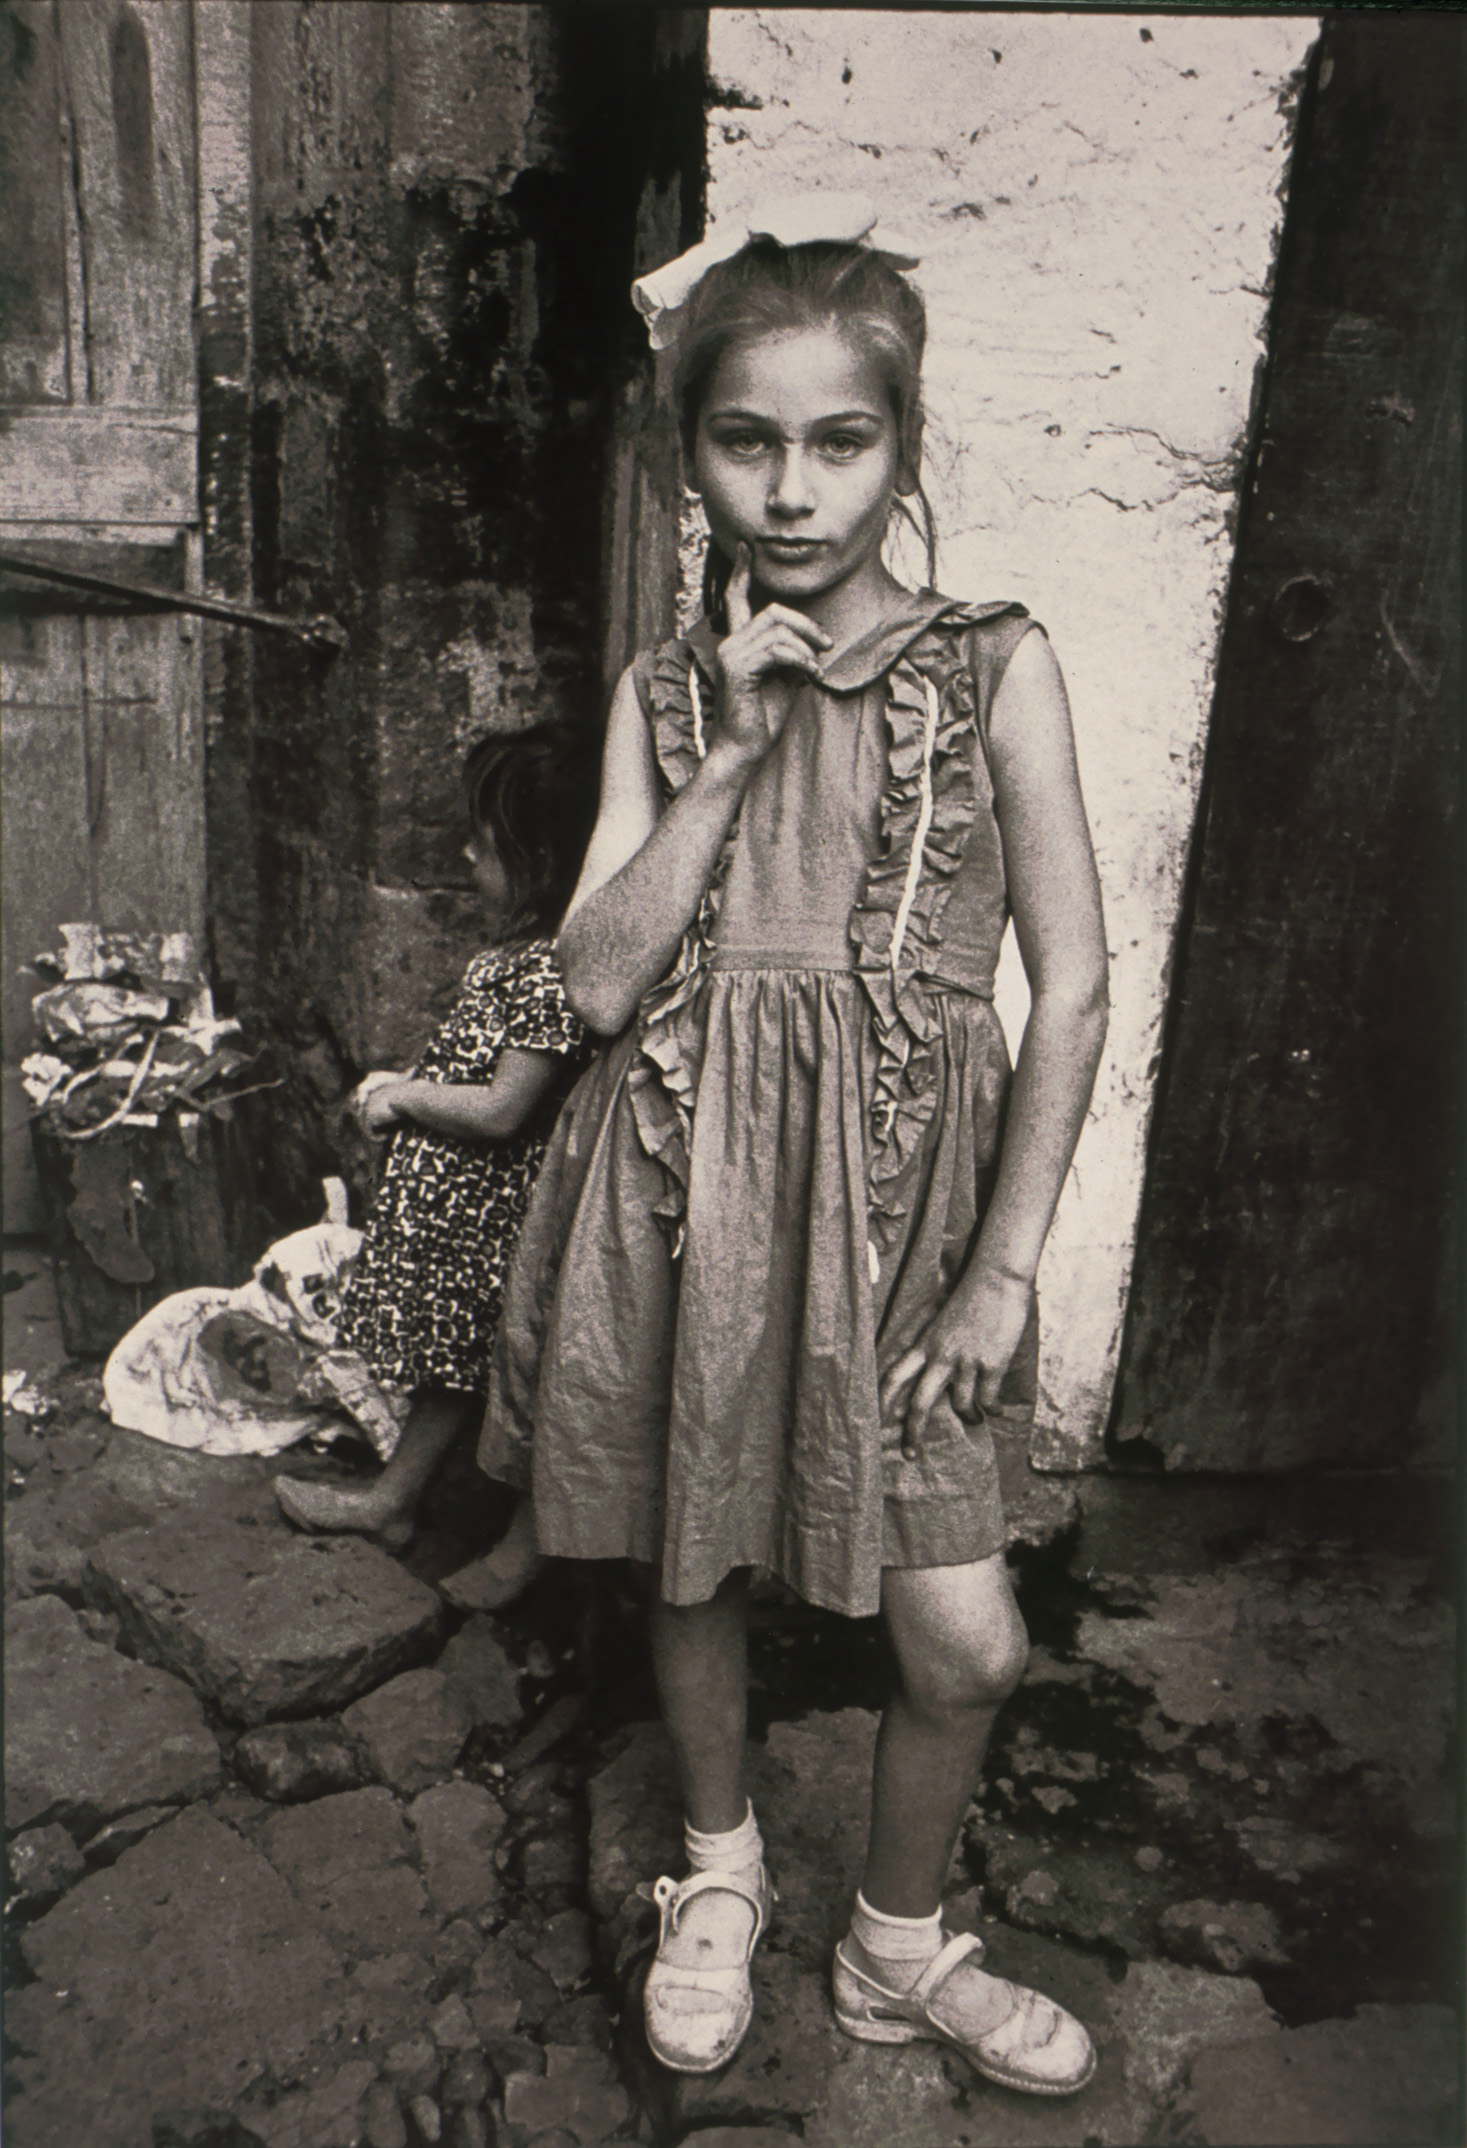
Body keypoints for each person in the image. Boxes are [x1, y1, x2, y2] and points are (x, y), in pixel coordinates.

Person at [480, 199, 1109, 2091]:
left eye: (840, 441)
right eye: (744, 439)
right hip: (688, 1193)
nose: (791, 488)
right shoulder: (664, 694)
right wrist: (735, 756)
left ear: (902, 449)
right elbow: (596, 981)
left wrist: (1001, 1274)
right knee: (692, 1565)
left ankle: (896, 1952)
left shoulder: (995, 665)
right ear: (690, 454)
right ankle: (720, 1868)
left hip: (909, 1225)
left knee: (966, 1644)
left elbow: (1073, 990)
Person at [275, 721, 594, 1576]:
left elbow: (503, 1108)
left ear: (537, 858)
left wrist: (406, 1098)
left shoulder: (550, 971)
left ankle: (478, 1527)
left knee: (482, 1369)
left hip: (490, 1224)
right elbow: (475, 1063)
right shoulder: (516, 959)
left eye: (482, 843)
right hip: (460, 1223)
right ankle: (397, 1502)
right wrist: (409, 1076)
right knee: (451, 1368)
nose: (464, 855)